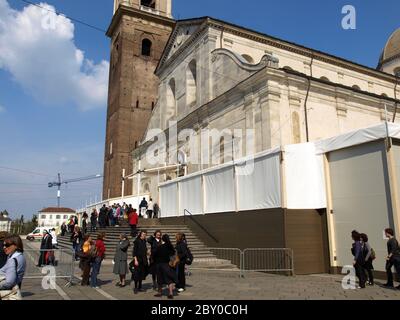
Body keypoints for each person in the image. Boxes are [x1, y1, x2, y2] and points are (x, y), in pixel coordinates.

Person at [0, 235, 26, 300]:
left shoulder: (13, 260)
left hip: (7, 293)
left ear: (16, 245)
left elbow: (9, 282)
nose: (4, 247)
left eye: (7, 245)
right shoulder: (21, 256)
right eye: (4, 245)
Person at [153, 234, 178, 299]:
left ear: (162, 239)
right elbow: (173, 253)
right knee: (168, 278)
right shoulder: (170, 246)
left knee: (159, 278)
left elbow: (154, 255)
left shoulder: (160, 246)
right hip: (167, 264)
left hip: (159, 264)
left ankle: (160, 292)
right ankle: (170, 293)